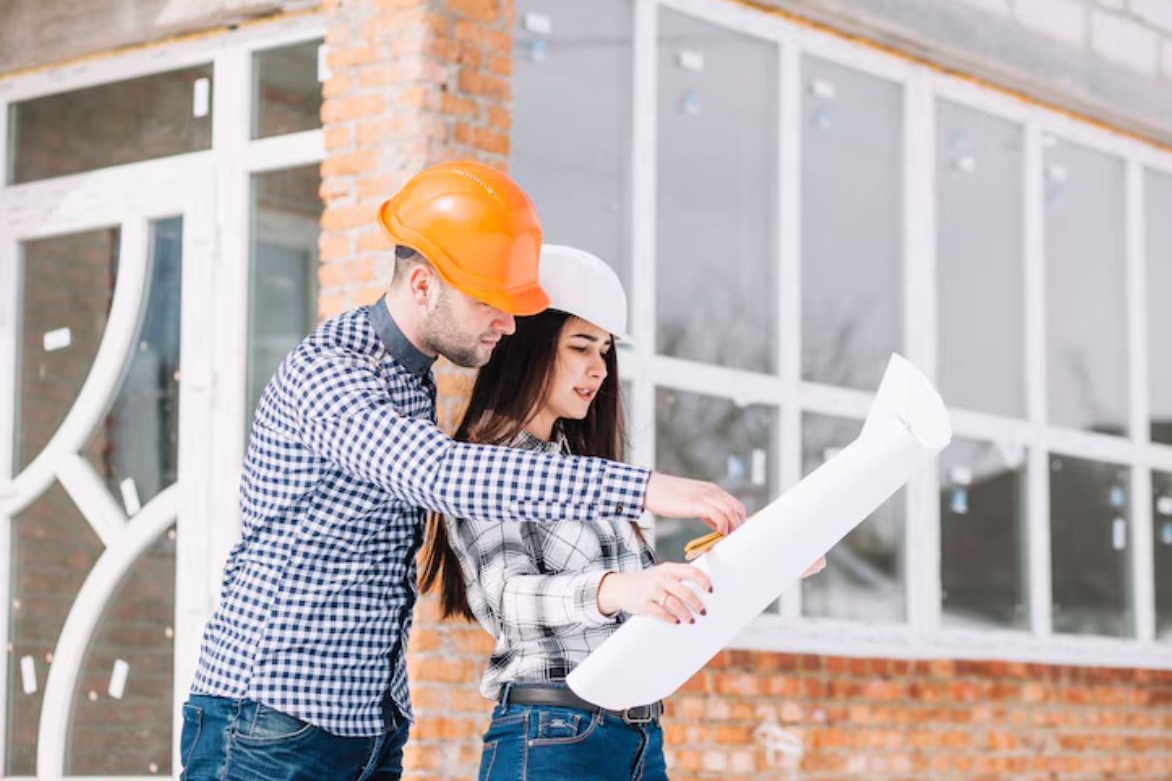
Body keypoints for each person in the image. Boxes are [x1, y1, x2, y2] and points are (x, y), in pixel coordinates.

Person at [178, 162, 746, 781]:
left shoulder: (411, 384)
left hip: (367, 725)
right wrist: (645, 488)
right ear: (422, 285)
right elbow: (442, 473)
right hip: (271, 716)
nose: (507, 325)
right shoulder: (332, 374)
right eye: (489, 304)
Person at [422, 245, 820, 781]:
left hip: (636, 739)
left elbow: (658, 606)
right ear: (529, 347)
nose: (599, 370)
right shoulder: (481, 464)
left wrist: (765, 561)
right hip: (552, 737)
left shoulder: (588, 477)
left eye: (605, 352)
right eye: (581, 347)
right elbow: (504, 597)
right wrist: (618, 589)